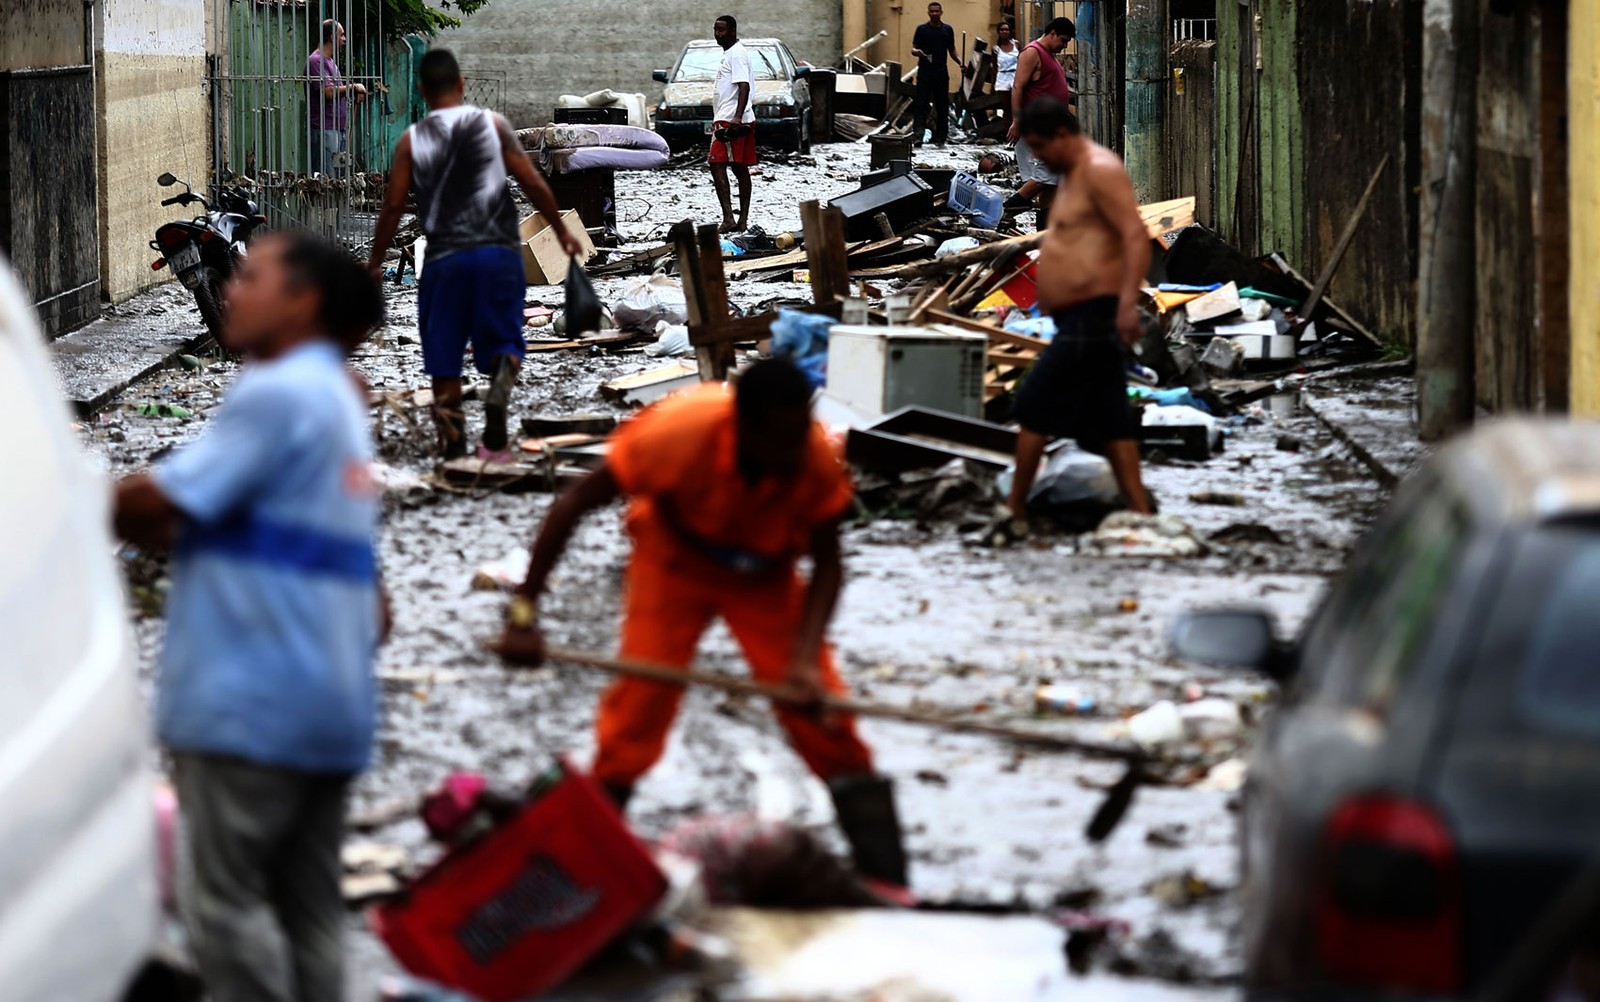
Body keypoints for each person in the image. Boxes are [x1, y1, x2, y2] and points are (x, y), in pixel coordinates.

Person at [491, 360, 910, 891]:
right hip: (675, 559)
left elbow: (828, 565)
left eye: (795, 436)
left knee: (822, 710)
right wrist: (524, 614)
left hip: (765, 574)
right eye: (775, 440)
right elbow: (573, 504)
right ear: (743, 423)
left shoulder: (812, 458)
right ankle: (586, 875)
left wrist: (803, 662)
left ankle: (890, 883)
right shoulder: (677, 433)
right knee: (639, 706)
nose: (787, 454)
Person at [112, 230, 388, 1002]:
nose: (230, 287)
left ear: (300, 301)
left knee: (223, 906)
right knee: (312, 916)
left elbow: (153, 500)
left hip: (250, 705)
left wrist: (66, 494)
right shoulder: (339, 399)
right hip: (329, 705)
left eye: (253, 276)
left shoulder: (278, 392)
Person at [368, 48, 582, 462]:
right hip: (499, 254)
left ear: (422, 90)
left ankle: (453, 445)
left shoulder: (412, 140)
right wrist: (562, 233)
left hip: (445, 260)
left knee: (444, 355)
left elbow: (393, 206)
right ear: (462, 84)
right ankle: (499, 384)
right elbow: (533, 182)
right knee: (503, 337)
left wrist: (376, 262)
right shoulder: (493, 125)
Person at [1005, 98, 1152, 530]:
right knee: (1110, 414)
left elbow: (1135, 236)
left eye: (1038, 145)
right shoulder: (1071, 175)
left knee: (1032, 402)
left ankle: (1015, 508)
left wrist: (1127, 304)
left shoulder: (1099, 169)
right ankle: (1140, 509)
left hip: (1095, 311)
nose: (1036, 156)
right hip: (1076, 315)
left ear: (1062, 136)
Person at [1005, 17, 1075, 216]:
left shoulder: (1048, 54)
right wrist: (1017, 120)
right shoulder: (1032, 52)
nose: (1064, 45)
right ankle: (1007, 209)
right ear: (1052, 33)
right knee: (1048, 175)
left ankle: (1043, 236)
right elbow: (1017, 86)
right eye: (1062, 40)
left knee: (1052, 183)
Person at [709, 15, 756, 234]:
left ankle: (730, 218)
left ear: (733, 30)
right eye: (716, 30)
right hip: (734, 116)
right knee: (739, 168)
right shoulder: (731, 53)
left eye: (722, 30)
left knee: (717, 163)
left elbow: (743, 86)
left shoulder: (737, 54)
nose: (718, 34)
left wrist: (736, 117)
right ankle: (741, 221)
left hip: (730, 120)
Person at [307, 20, 366, 177]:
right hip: (325, 128)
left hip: (337, 129)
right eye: (342, 35)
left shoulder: (330, 62)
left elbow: (337, 91)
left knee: (338, 180)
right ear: (332, 37)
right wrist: (352, 88)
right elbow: (328, 92)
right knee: (326, 180)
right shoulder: (316, 61)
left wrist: (352, 93)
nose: (344, 39)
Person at [910, 2, 960, 146]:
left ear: (941, 12)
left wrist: (960, 62)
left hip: (940, 70)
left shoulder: (947, 30)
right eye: (932, 11)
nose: (934, 13)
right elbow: (913, 49)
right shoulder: (922, 30)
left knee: (942, 104)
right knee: (921, 103)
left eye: (937, 11)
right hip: (925, 71)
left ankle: (941, 137)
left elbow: (952, 49)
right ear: (928, 13)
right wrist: (918, 53)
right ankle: (918, 135)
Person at [993, 19, 1019, 128]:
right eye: (1002, 30)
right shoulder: (995, 49)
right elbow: (994, 66)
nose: (1004, 32)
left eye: (1006, 30)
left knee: (1016, 108)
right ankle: (1007, 134)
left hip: (1015, 76)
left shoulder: (1016, 44)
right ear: (999, 32)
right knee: (1006, 109)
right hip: (1002, 78)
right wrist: (993, 83)